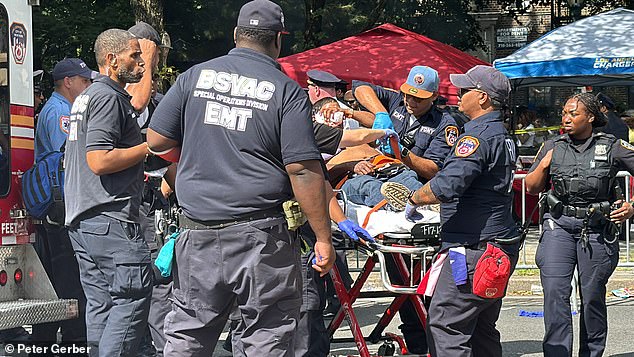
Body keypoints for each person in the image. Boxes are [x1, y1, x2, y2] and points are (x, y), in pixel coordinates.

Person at [146, 1, 335, 355]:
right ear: (279, 40)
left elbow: (156, 141)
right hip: (260, 239)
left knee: (188, 333)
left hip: (196, 232)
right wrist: (323, 237)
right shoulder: (286, 91)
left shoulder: (193, 77)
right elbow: (301, 170)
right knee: (266, 335)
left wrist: (192, 156)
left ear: (236, 35)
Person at [390, 65, 521, 356]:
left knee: (446, 325)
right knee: (481, 328)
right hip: (495, 245)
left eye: (465, 90)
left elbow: (445, 186)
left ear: (483, 98)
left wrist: (413, 199)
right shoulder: (501, 134)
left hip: (471, 248)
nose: (458, 94)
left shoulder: (476, 138)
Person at [525, 93, 634, 357]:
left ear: (591, 117)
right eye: (564, 113)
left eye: (573, 113)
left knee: (592, 296)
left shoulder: (612, 146)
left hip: (596, 229)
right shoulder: (552, 145)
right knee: (554, 293)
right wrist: (545, 165)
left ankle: (591, 352)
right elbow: (530, 186)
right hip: (559, 225)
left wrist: (632, 207)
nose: (566, 118)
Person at [64, 28, 151, 357]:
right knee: (131, 300)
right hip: (109, 219)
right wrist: (147, 148)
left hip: (85, 220)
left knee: (102, 305)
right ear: (112, 60)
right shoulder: (106, 97)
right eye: (134, 55)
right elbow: (99, 160)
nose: (140, 63)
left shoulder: (87, 97)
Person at [31, 57, 95, 345]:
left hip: (61, 202)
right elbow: (68, 158)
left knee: (65, 272)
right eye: (84, 81)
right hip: (61, 203)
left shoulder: (62, 108)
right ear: (68, 82)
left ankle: (63, 336)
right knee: (68, 274)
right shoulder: (60, 112)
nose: (88, 86)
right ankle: (74, 338)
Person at [126, 21, 173, 357]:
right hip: (142, 200)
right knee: (155, 278)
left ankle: (153, 343)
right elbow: (138, 106)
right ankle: (156, 345)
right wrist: (146, 56)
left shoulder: (158, 98)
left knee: (157, 277)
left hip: (156, 198)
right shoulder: (127, 93)